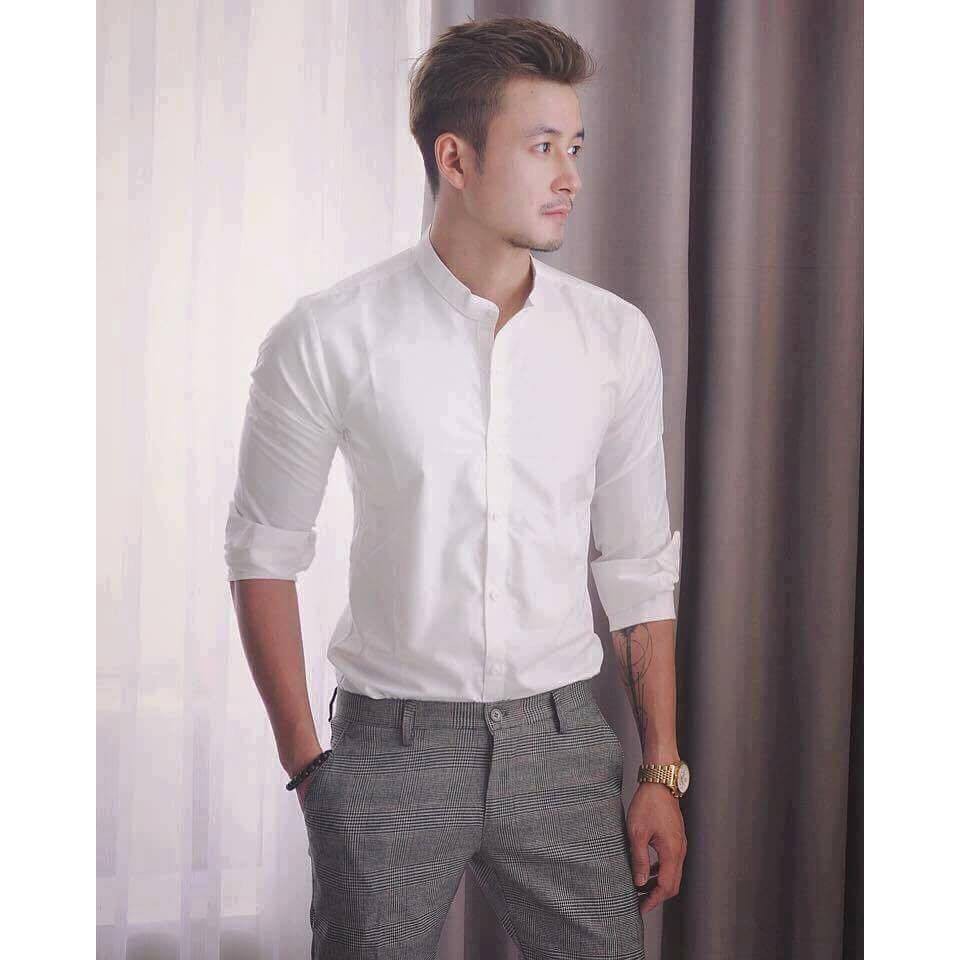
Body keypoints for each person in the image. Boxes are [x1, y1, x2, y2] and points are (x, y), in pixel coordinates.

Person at [224, 15, 688, 960]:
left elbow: (637, 564)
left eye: (576, 147)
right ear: (457, 158)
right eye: (542, 146)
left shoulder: (614, 339)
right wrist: (312, 770)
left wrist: (660, 771)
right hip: (390, 754)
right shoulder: (328, 336)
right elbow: (264, 551)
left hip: (563, 748)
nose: (571, 176)